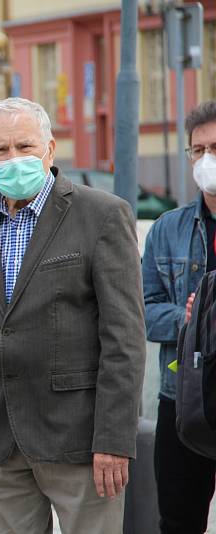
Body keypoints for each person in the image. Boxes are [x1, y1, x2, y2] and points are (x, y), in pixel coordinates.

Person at [0, 97, 146, 534]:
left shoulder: (103, 215)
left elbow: (123, 339)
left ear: (50, 150)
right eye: (0, 150)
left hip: (80, 439)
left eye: (24, 146)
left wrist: (113, 440)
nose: (13, 159)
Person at [143, 100, 216, 533]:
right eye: (199, 149)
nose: (207, 158)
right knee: (178, 520)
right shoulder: (167, 228)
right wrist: (189, 318)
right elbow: (142, 311)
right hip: (183, 400)